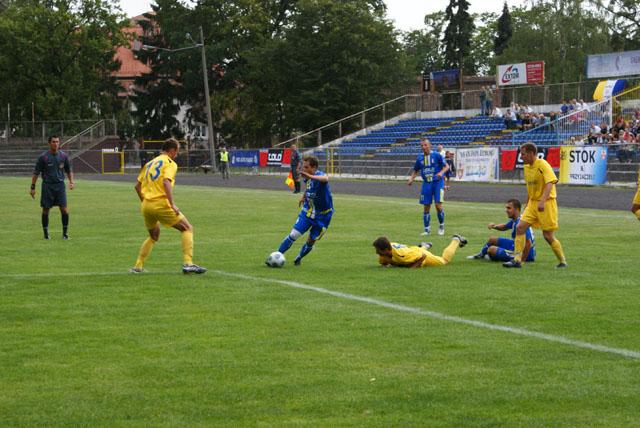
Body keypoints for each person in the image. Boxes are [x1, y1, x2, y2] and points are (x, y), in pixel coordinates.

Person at [131, 138, 207, 274]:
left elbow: (137, 186)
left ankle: (138, 266)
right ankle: (188, 263)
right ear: (172, 151)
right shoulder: (170, 163)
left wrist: (146, 202)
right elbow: (166, 182)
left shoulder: (149, 163)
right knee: (187, 228)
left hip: (146, 205)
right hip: (161, 204)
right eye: (176, 152)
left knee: (154, 236)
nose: (176, 155)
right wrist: (172, 204)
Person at [504, 142, 567, 268]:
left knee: (548, 236)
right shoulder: (527, 167)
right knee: (520, 228)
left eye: (523, 154)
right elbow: (530, 188)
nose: (521, 157)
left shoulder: (543, 164)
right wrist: (527, 205)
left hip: (547, 203)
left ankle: (562, 261)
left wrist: (542, 201)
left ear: (532, 153)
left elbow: (550, 183)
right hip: (533, 204)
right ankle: (517, 260)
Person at [273, 155, 333, 266]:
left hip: (323, 216)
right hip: (308, 212)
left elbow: (326, 179)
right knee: (294, 234)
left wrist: (310, 175)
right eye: (303, 167)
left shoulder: (320, 176)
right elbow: (309, 187)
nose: (303, 169)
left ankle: (299, 257)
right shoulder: (308, 178)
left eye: (306, 167)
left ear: (314, 167)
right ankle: (277, 255)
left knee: (311, 241)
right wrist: (304, 196)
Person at [30, 135, 74, 240]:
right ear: (49, 143)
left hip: (60, 186)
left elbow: (68, 170)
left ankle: (65, 234)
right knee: (45, 210)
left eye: (57, 142)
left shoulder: (63, 156)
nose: (56, 144)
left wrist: (71, 182)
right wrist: (32, 187)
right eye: (54, 142)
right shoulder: (43, 157)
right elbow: (36, 173)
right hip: (47, 186)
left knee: (64, 209)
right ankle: (46, 235)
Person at [467, 199, 535, 263]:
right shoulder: (517, 219)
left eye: (509, 208)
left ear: (517, 209)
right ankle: (480, 255)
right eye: (506, 208)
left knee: (491, 250)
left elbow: (528, 243)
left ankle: (496, 256)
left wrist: (521, 259)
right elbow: (505, 226)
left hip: (524, 253)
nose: (506, 210)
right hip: (515, 246)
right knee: (492, 239)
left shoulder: (520, 223)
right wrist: (494, 226)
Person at [408, 138, 449, 236]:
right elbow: (415, 170)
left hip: (438, 183)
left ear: (429, 145)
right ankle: (427, 230)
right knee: (426, 207)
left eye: (425, 145)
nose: (423, 147)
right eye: (422, 145)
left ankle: (441, 226)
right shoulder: (420, 158)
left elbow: (446, 166)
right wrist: (411, 179)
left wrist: (441, 172)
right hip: (426, 183)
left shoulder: (437, 155)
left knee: (438, 206)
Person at [373, 235, 467, 268]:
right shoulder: (385, 253)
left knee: (444, 261)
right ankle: (425, 245)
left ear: (386, 250)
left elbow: (422, 257)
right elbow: (384, 262)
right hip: (413, 249)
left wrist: (412, 268)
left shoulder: (402, 255)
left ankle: (456, 240)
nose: (377, 252)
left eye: (378, 250)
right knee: (416, 252)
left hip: (421, 254)